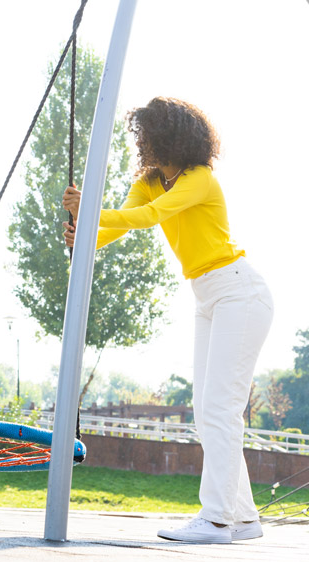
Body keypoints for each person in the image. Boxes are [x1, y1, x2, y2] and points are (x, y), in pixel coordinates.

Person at [61, 97, 272, 544]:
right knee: (208, 410)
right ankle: (245, 518)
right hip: (207, 295)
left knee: (219, 408)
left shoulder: (199, 179)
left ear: (170, 136)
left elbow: (150, 216)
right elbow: (121, 224)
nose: (143, 144)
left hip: (240, 291)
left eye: (148, 135)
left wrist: (90, 210)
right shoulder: (150, 180)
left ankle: (216, 520)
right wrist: (84, 238)